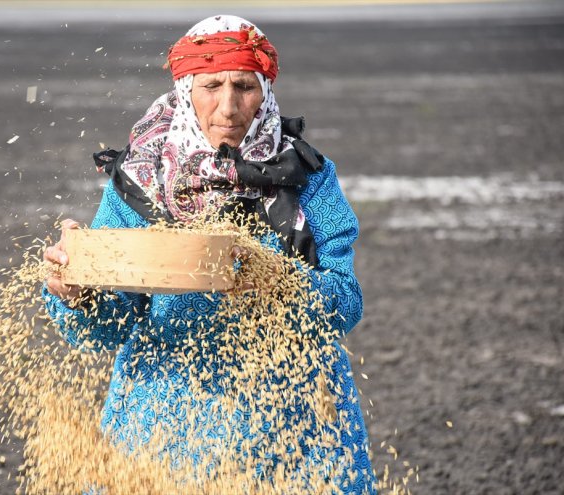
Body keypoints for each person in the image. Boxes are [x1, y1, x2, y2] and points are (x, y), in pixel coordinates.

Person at [43, 15, 375, 494]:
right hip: (163, 430)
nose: (228, 107)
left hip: (296, 432)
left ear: (265, 91)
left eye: (244, 86)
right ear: (184, 92)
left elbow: (345, 302)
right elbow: (107, 327)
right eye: (210, 86)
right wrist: (77, 294)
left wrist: (273, 278)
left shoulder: (309, 177)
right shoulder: (142, 182)